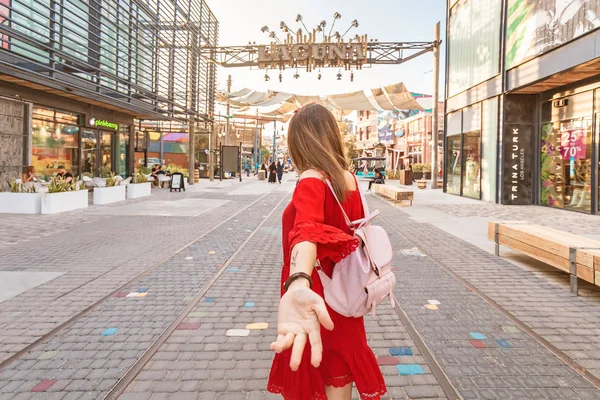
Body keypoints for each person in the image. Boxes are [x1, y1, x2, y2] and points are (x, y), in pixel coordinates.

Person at [267, 104, 386, 400]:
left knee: (313, 370)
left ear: (299, 142)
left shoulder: (311, 178)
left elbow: (306, 231)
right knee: (339, 383)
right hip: (346, 296)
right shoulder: (350, 179)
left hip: (315, 297)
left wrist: (298, 280)